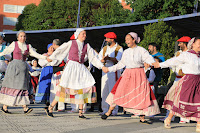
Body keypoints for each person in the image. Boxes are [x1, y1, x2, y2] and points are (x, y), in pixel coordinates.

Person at [101, 32, 160, 124]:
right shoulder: (126, 52)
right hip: (127, 74)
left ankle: (142, 117)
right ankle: (109, 112)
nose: (126, 41)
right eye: (125, 39)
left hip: (139, 74)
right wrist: (109, 69)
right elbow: (121, 64)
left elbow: (148, 58)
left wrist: (154, 63)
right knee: (119, 92)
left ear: (134, 40)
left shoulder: (141, 50)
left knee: (141, 95)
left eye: (128, 39)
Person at [45, 28, 105, 118]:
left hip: (80, 67)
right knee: (64, 88)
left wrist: (101, 66)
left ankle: (81, 112)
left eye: (85, 34)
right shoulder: (71, 43)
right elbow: (60, 50)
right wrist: (52, 57)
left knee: (83, 87)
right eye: (83, 34)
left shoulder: (87, 45)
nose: (84, 35)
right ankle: (50, 107)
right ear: (78, 34)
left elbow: (93, 57)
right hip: (71, 67)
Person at [152, 37, 200, 131]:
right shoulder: (186, 55)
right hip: (188, 81)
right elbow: (173, 61)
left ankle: (198, 124)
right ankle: (168, 118)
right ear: (193, 44)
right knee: (179, 102)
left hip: (198, 81)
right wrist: (160, 65)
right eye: (199, 43)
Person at [0, 30, 47, 114]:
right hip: (14, 67)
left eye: (24, 36)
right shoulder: (14, 44)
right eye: (21, 36)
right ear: (18, 37)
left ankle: (25, 107)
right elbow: (5, 52)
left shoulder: (28, 46)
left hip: (23, 69)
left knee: (22, 87)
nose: (23, 38)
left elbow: (35, 54)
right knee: (11, 86)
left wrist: (45, 58)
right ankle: (6, 106)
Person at [159, 36, 191, 123]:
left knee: (184, 98)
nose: (179, 44)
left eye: (181, 43)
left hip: (186, 79)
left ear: (185, 44)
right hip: (177, 78)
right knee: (172, 97)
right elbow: (172, 63)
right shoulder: (178, 53)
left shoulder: (191, 53)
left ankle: (184, 118)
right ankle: (169, 116)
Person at [99, 32, 123, 116]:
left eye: (107, 38)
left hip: (114, 71)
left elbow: (119, 60)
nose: (106, 40)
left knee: (112, 91)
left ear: (112, 39)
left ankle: (114, 110)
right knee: (104, 90)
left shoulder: (119, 48)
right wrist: (102, 60)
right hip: (105, 71)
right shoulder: (105, 48)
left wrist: (109, 58)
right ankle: (105, 109)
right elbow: (99, 59)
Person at [49, 39, 66, 112]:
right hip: (58, 72)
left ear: (54, 44)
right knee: (57, 90)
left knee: (58, 90)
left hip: (59, 72)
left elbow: (53, 63)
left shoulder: (58, 52)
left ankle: (58, 106)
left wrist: (50, 55)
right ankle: (56, 106)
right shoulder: (62, 51)